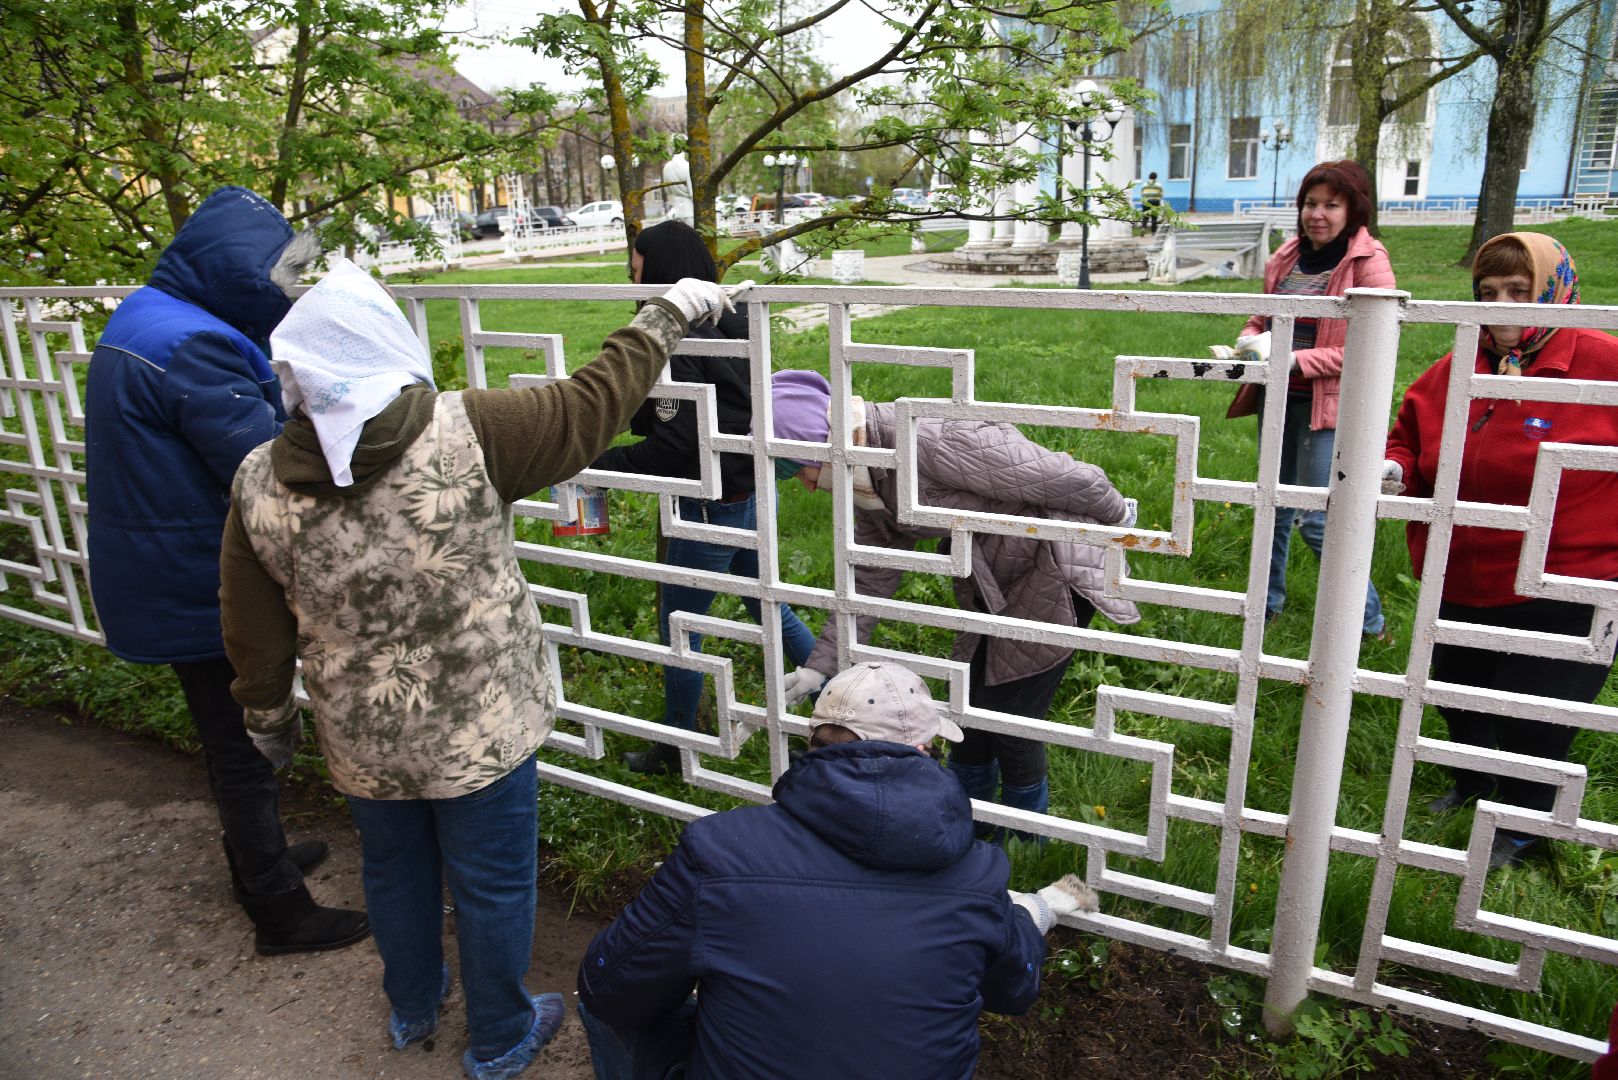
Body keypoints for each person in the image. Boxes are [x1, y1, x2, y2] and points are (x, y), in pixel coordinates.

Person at [218, 258, 739, 1079]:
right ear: (391, 345)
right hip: (482, 726)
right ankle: (498, 1035)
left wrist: (267, 718)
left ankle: (412, 1005)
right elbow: (591, 406)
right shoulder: (469, 430)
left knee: (392, 870)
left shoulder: (257, 477)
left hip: (362, 735)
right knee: (494, 883)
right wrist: (666, 315)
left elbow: (250, 623)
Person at [83, 185, 368, 956]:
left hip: (158, 561)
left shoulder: (150, 316)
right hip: (193, 578)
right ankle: (277, 907)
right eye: (277, 275)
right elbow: (265, 463)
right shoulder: (194, 346)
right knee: (238, 742)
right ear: (236, 269)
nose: (284, 289)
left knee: (229, 734)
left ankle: (259, 855)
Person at [575, 660, 1096, 1080]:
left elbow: (610, 988)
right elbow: (1015, 991)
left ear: (813, 744)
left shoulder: (721, 851)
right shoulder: (978, 874)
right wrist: (1028, 914)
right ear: (924, 750)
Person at [765, 371, 1139, 840]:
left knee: (1010, 716)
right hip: (992, 580)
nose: (803, 484)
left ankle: (1027, 839)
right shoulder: (865, 476)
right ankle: (969, 825)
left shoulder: (929, 441)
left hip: (1052, 567)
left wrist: (1122, 524)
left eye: (799, 469)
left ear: (819, 442)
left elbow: (1070, 478)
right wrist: (820, 666)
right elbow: (871, 575)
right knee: (971, 708)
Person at [1382, 232, 1618, 870]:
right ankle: (1474, 779)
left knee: (1537, 712)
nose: (1502, 308)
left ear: (1556, 291)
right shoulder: (1459, 364)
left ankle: (1522, 825)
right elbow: (1407, 436)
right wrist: (1395, 468)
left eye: (1521, 292)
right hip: (1461, 572)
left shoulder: (1605, 362)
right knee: (1459, 693)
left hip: (1565, 581)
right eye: (1488, 294)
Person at [591, 221, 815, 775]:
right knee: (770, 604)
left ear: (662, 273)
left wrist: (595, 463)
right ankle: (846, 701)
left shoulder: (678, 335)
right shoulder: (731, 314)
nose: (633, 282)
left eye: (638, 272)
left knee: (679, 629)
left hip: (709, 502)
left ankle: (677, 746)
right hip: (752, 487)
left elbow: (673, 447)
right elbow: (692, 410)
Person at [1226, 159, 1392, 642]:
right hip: (1277, 399)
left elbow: (1369, 344)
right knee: (1271, 507)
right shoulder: (1287, 257)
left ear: (1353, 209)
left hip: (1329, 406)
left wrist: (1298, 361)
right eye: (1310, 204)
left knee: (1321, 520)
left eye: (1331, 205)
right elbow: (1261, 320)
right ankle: (1267, 608)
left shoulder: (1368, 262)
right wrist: (1248, 339)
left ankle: (1371, 624)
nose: (1317, 214)